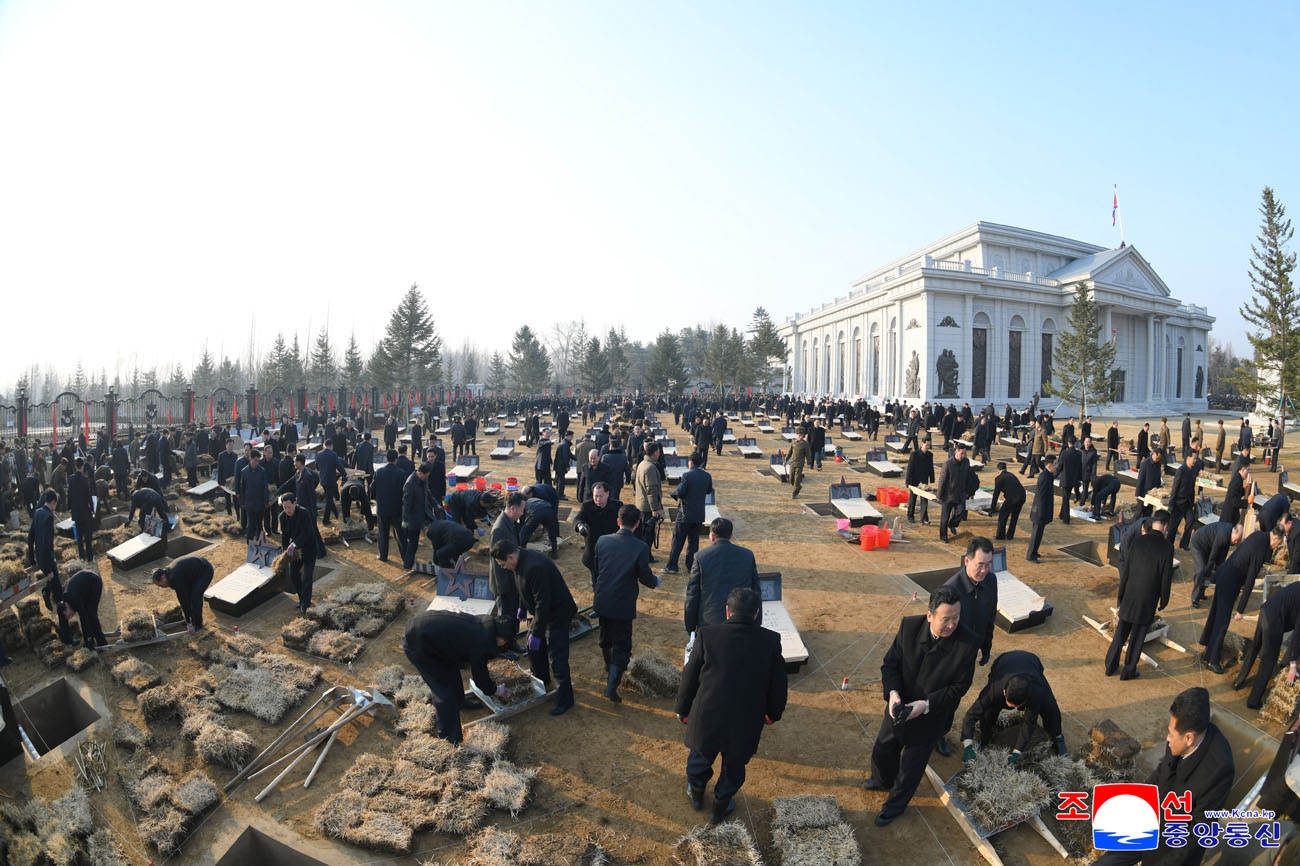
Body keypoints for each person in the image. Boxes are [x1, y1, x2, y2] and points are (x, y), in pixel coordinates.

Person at [864, 584, 978, 826]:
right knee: (884, 748)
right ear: (929, 616)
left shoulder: (968, 643)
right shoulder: (909, 627)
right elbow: (890, 665)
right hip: (899, 705)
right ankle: (881, 780)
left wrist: (925, 705)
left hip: (930, 715)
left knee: (911, 768)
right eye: (946, 619)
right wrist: (893, 694)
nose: (952, 625)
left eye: (956, 617)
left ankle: (894, 806)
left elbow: (959, 688)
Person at [676, 587, 787, 824]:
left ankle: (696, 794)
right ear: (756, 613)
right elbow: (778, 684)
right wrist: (773, 713)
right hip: (746, 720)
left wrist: (682, 709)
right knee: (734, 766)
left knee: (700, 757)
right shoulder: (770, 641)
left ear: (727, 611)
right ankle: (720, 807)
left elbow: (689, 677)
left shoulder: (707, 635)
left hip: (707, 716)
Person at [1092, 688, 1233, 866]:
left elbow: (1198, 834)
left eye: (1172, 735)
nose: (1167, 738)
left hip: (1176, 845)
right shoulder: (1177, 740)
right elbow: (1160, 774)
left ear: (1189, 738)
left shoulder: (1219, 769)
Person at [491, 538, 577, 716]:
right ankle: (542, 680)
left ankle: (565, 700)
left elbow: (542, 603)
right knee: (533, 649)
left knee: (557, 657)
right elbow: (524, 588)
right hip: (543, 612)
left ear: (510, 557)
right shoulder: (519, 561)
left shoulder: (534, 567)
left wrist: (538, 632)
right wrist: (522, 607)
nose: (502, 567)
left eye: (502, 563)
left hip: (557, 613)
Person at [403, 609, 515, 744]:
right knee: (444, 691)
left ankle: (460, 702)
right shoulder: (483, 643)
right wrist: (496, 690)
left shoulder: (486, 624)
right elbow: (480, 677)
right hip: (420, 645)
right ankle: (449, 738)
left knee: (452, 671)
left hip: (433, 636)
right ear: (501, 639)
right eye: (507, 642)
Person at [593, 504, 660, 702]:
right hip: (623, 603)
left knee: (606, 636)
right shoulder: (640, 547)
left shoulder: (602, 541)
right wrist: (656, 581)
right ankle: (612, 685)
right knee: (623, 645)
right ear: (638, 524)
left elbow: (597, 568)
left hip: (602, 598)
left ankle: (608, 665)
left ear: (618, 521)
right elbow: (645, 577)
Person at [1199, 526, 1284, 674]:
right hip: (1230, 582)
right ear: (1276, 538)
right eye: (1279, 543)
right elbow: (1251, 579)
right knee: (1223, 622)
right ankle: (1212, 660)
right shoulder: (1261, 550)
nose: (1278, 547)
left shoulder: (1258, 535)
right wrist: (1240, 609)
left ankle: (1207, 645)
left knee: (1215, 614)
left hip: (1223, 573)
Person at [960, 650, 1066, 763]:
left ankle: (1057, 737)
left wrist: (1017, 752)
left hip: (1032, 665)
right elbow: (971, 715)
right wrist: (968, 746)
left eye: (1018, 707)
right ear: (1005, 692)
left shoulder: (1036, 692)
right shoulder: (994, 689)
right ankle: (985, 737)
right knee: (989, 711)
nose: (1015, 710)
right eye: (1011, 705)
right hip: (1004, 663)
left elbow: (1029, 724)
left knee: (1051, 708)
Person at [1106, 510, 1174, 680]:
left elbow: (1127, 569)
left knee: (1121, 632)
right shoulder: (1167, 547)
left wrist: (1121, 594)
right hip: (1148, 598)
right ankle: (1128, 671)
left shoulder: (1138, 540)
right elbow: (1166, 577)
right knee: (1137, 638)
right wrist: (1164, 599)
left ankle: (1110, 666)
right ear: (1165, 527)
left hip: (1130, 593)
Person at [686, 517, 760, 636]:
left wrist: (690, 626)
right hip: (742, 620)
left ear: (712, 536)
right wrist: (756, 622)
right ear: (731, 535)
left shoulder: (700, 557)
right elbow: (756, 590)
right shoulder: (747, 555)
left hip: (710, 622)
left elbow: (692, 594)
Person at [1234, 581, 1300, 708]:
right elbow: (1296, 636)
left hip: (1266, 609)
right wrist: (1293, 666)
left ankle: (1238, 682)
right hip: (1274, 621)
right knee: (1269, 659)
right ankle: (1253, 701)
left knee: (1255, 647)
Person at [663, 452, 712, 576]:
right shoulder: (707, 475)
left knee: (678, 540)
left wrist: (674, 494)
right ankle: (691, 565)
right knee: (694, 541)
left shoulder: (687, 475)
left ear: (690, 462)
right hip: (699, 513)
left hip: (685, 513)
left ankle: (672, 565)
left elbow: (680, 491)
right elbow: (709, 490)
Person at [574, 482, 621, 590]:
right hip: (594, 551)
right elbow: (578, 518)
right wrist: (580, 526)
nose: (598, 499)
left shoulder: (618, 506)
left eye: (601, 496)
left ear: (608, 494)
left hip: (612, 550)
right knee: (597, 581)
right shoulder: (587, 506)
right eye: (595, 496)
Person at [489, 492, 525, 629]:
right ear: (512, 509)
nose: (522, 513)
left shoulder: (509, 523)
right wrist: (505, 589)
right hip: (504, 584)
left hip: (512, 580)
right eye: (521, 510)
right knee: (505, 618)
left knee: (513, 614)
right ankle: (505, 647)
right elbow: (497, 563)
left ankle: (512, 639)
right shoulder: (499, 530)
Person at [279, 493, 319, 612]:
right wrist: (285, 552)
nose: (287, 510)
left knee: (307, 576)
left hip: (309, 548)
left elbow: (306, 534)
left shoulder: (304, 513)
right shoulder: (282, 517)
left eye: (289, 507)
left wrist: (294, 544)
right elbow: (285, 536)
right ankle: (302, 598)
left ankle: (305, 604)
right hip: (295, 551)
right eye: (284, 507)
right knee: (293, 574)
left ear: (295, 503)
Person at [1188, 520, 1242, 609]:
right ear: (1233, 532)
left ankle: (1201, 593)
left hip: (1207, 546)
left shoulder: (1228, 534)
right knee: (1201, 570)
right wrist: (1210, 569)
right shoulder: (1223, 536)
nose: (1236, 542)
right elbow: (1214, 554)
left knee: (1208, 572)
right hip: (1198, 544)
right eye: (1236, 539)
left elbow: (1223, 554)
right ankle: (1195, 598)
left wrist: (1219, 568)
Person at [151, 556, 214, 632]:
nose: (161, 587)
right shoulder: (169, 574)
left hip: (205, 571)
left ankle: (198, 625)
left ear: (163, 577)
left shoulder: (174, 576)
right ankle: (193, 619)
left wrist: (189, 621)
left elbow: (183, 599)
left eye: (160, 585)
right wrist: (188, 617)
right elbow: (182, 596)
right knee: (191, 597)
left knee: (195, 598)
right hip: (193, 573)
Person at [937, 442, 977, 542]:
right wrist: (939, 495)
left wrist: (970, 491)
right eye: (962, 453)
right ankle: (943, 536)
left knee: (960, 512)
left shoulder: (966, 462)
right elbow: (942, 479)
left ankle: (952, 524)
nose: (963, 456)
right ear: (956, 452)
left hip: (960, 494)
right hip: (948, 495)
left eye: (965, 454)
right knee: (944, 518)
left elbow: (969, 476)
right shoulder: (948, 464)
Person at [59, 568, 108, 648]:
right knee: (88, 613)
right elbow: (63, 622)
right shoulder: (64, 604)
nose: (70, 617)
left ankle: (102, 642)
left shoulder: (73, 598)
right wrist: (67, 640)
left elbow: (84, 619)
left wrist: (87, 641)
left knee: (91, 614)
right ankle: (91, 639)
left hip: (94, 582)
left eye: (68, 615)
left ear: (67, 607)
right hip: (84, 589)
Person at [372, 450, 406, 563]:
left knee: (383, 533)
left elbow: (372, 489)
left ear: (386, 458)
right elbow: (404, 492)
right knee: (400, 534)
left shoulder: (379, 472)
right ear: (396, 459)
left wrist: (378, 500)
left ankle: (383, 555)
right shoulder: (401, 473)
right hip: (396, 508)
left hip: (382, 508)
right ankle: (405, 557)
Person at [400, 463, 435, 570]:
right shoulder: (410, 484)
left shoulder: (424, 479)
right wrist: (405, 521)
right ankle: (407, 564)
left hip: (424, 512)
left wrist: (436, 504)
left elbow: (427, 493)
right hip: (413, 517)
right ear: (421, 473)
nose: (428, 477)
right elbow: (406, 504)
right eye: (427, 475)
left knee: (435, 532)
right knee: (413, 542)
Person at [1165, 451, 1200, 549]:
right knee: (1173, 526)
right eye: (1194, 458)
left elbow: (1192, 488)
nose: (1195, 460)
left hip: (1188, 504)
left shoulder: (1193, 471)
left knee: (1190, 521)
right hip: (1178, 503)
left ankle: (1184, 544)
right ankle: (1168, 545)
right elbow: (1175, 488)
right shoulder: (1181, 470)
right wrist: (1171, 504)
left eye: (1196, 458)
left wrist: (1192, 503)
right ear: (1188, 458)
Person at [633, 441, 664, 554]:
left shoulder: (642, 464)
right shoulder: (650, 467)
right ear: (655, 452)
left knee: (643, 533)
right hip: (647, 507)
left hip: (641, 504)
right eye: (658, 451)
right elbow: (651, 490)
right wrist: (654, 509)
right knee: (648, 534)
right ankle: (646, 556)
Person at [1025, 454, 1056, 563]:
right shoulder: (1044, 477)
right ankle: (1030, 555)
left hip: (1041, 510)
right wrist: (1042, 513)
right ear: (1049, 465)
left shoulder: (1047, 475)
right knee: (1036, 534)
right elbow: (1041, 498)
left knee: (1038, 534)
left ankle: (1034, 552)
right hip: (1040, 511)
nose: (1056, 466)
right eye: (1054, 464)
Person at [239, 449, 272, 540]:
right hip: (249, 503)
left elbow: (265, 487)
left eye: (258, 461)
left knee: (259, 525)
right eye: (255, 460)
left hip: (260, 503)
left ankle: (260, 543)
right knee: (251, 525)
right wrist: (242, 502)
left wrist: (266, 501)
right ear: (250, 459)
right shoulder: (244, 471)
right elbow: (242, 488)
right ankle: (249, 543)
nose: (257, 463)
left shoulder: (262, 471)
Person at [989, 462, 1025, 540]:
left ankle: (1000, 536)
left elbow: (996, 495)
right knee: (1014, 517)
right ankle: (1010, 536)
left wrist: (992, 509)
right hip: (1022, 497)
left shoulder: (999, 478)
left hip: (1012, 498)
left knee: (1003, 515)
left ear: (998, 470)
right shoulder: (1011, 475)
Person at [905, 438, 935, 525]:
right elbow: (910, 468)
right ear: (922, 444)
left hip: (924, 480)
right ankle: (910, 516)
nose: (928, 447)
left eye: (929, 445)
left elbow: (931, 467)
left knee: (924, 499)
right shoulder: (914, 454)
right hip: (914, 480)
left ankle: (924, 518)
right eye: (927, 445)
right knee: (912, 499)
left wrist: (932, 479)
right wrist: (908, 481)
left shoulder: (930, 455)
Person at [1135, 448, 1163, 518]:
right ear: (1153, 454)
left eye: (1159, 458)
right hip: (1143, 493)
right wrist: (1137, 494)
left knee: (1148, 512)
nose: (1158, 460)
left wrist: (1158, 491)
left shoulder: (1158, 464)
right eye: (1157, 458)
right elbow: (1140, 479)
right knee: (1140, 511)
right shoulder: (1145, 464)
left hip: (1152, 493)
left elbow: (1158, 478)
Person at [783, 428, 811, 499]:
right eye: (798, 435)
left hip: (800, 464)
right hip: (793, 463)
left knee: (797, 479)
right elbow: (790, 452)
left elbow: (808, 454)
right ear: (796, 435)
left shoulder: (805, 444)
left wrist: (809, 463)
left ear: (803, 436)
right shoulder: (793, 442)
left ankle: (794, 493)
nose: (800, 436)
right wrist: (785, 460)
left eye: (801, 435)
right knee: (791, 479)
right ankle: (798, 486)